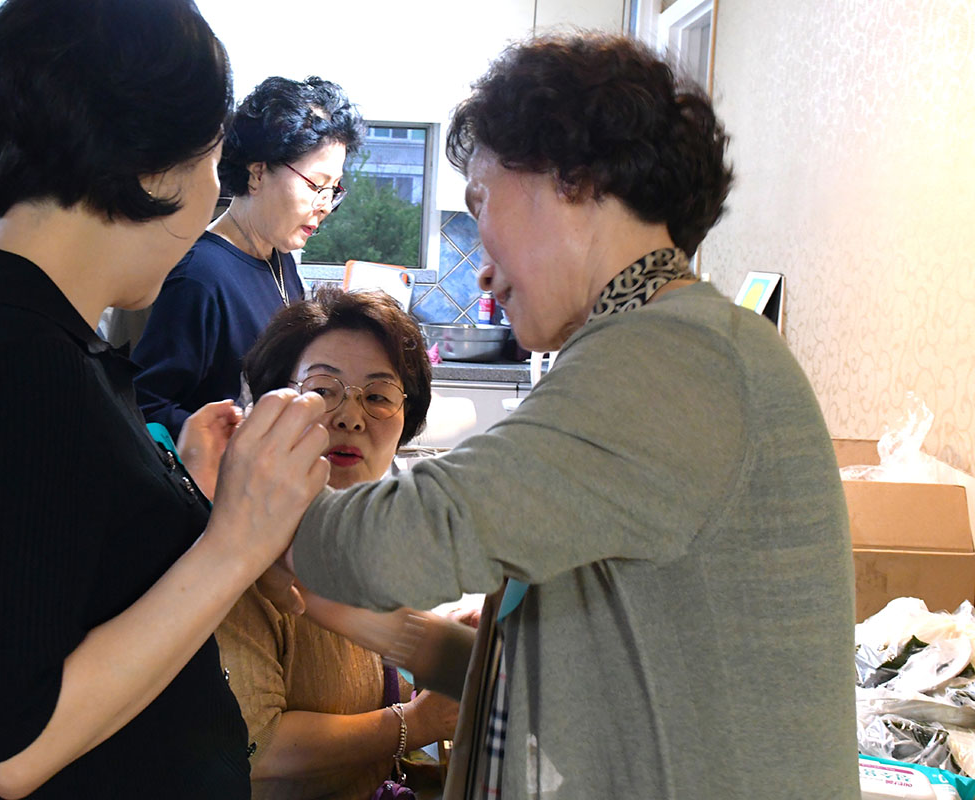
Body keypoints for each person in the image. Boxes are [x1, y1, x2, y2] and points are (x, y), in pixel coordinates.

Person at [288, 33, 859, 799]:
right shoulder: (671, 341)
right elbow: (578, 687)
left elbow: (400, 540)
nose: (482, 268)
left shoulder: (670, 358)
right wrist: (393, 631)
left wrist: (246, 487)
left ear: (572, 178)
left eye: (481, 202)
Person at [0, 2, 330, 798]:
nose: (213, 192)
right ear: (149, 166)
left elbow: (87, 570)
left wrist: (188, 487)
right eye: (213, 159)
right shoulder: (11, 365)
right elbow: (10, 748)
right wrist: (236, 544)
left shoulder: (44, 339)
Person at [216, 287, 469, 799]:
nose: (350, 417)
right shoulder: (238, 561)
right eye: (323, 391)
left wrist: (445, 642)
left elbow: (388, 659)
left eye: (377, 396)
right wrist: (415, 723)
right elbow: (256, 748)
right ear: (272, 406)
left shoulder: (372, 537)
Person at [131, 76, 364, 437]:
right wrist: (234, 435)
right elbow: (144, 408)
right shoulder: (200, 277)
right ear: (257, 173)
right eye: (315, 185)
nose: (324, 206)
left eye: (333, 190)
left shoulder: (279, 260)